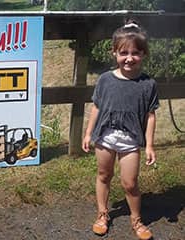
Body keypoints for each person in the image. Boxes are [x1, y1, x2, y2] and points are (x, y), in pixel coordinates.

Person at [82, 19, 159, 240]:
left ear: (143, 54)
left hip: (131, 140)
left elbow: (150, 116)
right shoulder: (105, 80)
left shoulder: (148, 84)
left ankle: (136, 220)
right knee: (104, 175)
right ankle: (102, 214)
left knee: (130, 183)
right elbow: (96, 107)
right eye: (123, 52)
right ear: (114, 53)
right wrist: (88, 134)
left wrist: (150, 145)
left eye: (135, 53)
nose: (129, 58)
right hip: (105, 137)